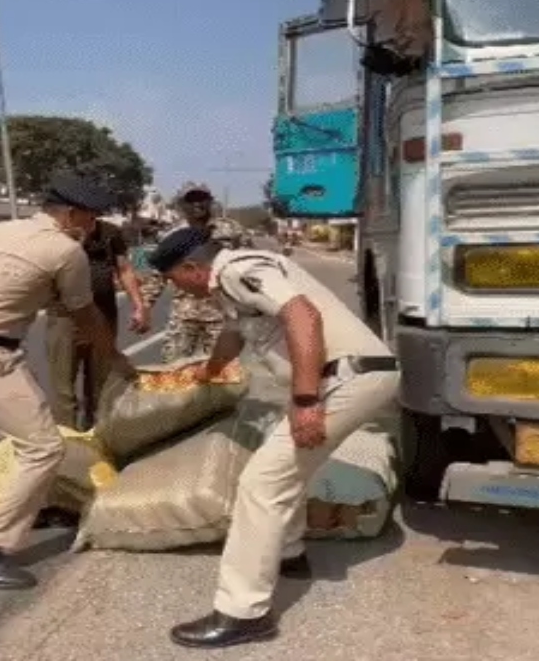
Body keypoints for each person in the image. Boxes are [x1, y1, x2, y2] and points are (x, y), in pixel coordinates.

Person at [146, 226, 400, 649]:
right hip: (349, 376)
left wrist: (305, 400)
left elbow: (302, 315)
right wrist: (209, 371)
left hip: (345, 379)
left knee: (261, 484)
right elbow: (233, 334)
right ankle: (289, 553)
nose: (177, 289)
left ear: (192, 267)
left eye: (175, 279)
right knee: (284, 470)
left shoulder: (237, 270)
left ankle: (243, 613)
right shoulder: (230, 285)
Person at [0, 173, 135, 590]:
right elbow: (85, 315)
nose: (93, 225)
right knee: (43, 448)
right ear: (71, 215)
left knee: (37, 437)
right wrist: (116, 359)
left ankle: (35, 503)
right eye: (91, 217)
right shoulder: (67, 251)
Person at [46, 216, 150, 430]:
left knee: (101, 384)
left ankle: (97, 434)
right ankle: (68, 438)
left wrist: (139, 305)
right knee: (63, 389)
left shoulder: (110, 233)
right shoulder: (54, 234)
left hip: (103, 315)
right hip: (65, 317)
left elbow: (124, 269)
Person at [141, 182, 254, 363]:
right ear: (181, 204)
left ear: (210, 201)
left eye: (202, 199)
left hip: (222, 314)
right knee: (174, 367)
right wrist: (145, 304)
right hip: (184, 313)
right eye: (191, 200)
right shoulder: (173, 234)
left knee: (222, 368)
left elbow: (248, 263)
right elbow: (160, 272)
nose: (197, 204)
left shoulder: (231, 230)